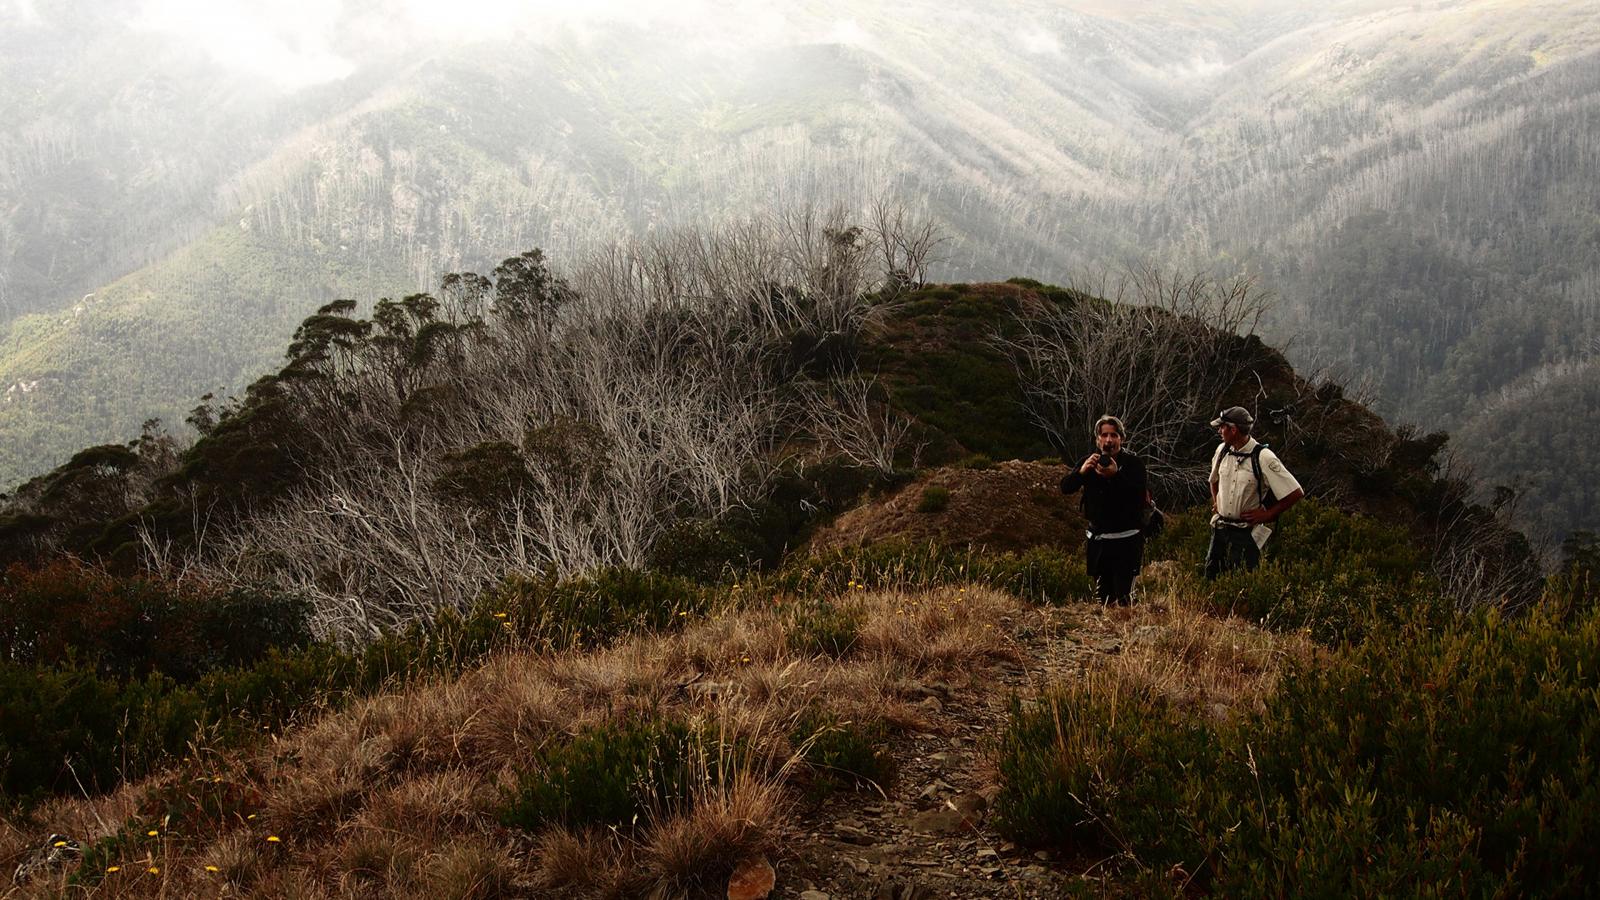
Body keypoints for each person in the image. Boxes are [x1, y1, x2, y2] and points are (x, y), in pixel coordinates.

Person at [1205, 406, 1304, 578]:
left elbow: (1295, 492)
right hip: (1220, 530)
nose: (1220, 431)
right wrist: (1217, 502)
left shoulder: (1264, 457)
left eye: (1222, 427)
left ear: (1233, 430)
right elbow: (1213, 480)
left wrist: (1268, 515)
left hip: (1245, 534)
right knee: (1211, 578)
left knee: (1241, 581)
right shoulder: (1222, 450)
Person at [1060, 414, 1148, 604]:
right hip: (1099, 542)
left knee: (1124, 600)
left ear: (1121, 439)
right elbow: (1066, 487)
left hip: (1126, 541)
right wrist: (1082, 472)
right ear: (1097, 439)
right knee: (1103, 600)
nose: (1109, 440)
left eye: (1114, 435)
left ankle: (1126, 630)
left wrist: (1116, 475)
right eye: (1105, 435)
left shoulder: (1133, 464)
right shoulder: (1090, 462)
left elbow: (1139, 495)